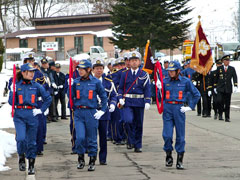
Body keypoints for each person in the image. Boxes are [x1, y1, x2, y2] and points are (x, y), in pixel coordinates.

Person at [8, 63, 51, 175]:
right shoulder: (17, 85)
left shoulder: (36, 85)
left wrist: (41, 110)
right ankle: (21, 156)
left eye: (33, 71)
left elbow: (48, 98)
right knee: (21, 138)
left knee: (32, 142)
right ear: (23, 73)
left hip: (32, 114)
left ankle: (31, 165)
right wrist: (12, 91)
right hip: (19, 115)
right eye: (29, 72)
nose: (32, 74)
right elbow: (10, 102)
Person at [69, 59, 107, 171]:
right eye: (79, 69)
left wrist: (102, 110)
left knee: (92, 138)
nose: (80, 71)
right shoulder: (76, 82)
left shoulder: (96, 82)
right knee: (80, 138)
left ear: (89, 69)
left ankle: (92, 160)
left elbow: (104, 97)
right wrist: (69, 87)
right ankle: (81, 158)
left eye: (82, 69)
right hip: (79, 113)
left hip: (91, 112)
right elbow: (71, 97)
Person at [161, 61, 200, 169]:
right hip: (168, 109)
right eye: (169, 71)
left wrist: (190, 107)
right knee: (167, 135)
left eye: (173, 71)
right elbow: (160, 96)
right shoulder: (165, 81)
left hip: (179, 109)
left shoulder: (186, 81)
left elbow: (196, 94)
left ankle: (179, 160)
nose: (171, 73)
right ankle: (168, 154)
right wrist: (157, 87)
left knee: (180, 136)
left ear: (178, 71)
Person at [118, 51, 151, 153]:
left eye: (136, 60)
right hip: (128, 101)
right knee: (128, 121)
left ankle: (138, 145)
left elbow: (147, 88)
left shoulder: (144, 74)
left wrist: (147, 101)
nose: (133, 63)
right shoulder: (125, 74)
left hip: (139, 101)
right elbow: (121, 88)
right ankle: (130, 139)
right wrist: (120, 98)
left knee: (139, 124)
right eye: (132, 61)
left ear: (140, 62)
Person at [92, 58, 117, 165]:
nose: (99, 70)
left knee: (103, 137)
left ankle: (103, 158)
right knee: (91, 137)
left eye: (101, 68)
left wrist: (113, 104)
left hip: (104, 112)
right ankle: (92, 157)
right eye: (97, 68)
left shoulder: (108, 82)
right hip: (92, 112)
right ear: (92, 70)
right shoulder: (88, 81)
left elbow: (114, 95)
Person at [214, 55, 238, 122]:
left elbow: (234, 77)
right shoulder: (219, 68)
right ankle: (220, 114)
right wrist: (215, 87)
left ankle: (227, 117)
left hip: (228, 88)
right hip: (220, 88)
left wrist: (235, 85)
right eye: (226, 60)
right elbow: (216, 78)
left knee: (227, 103)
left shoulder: (232, 69)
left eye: (228, 61)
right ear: (223, 61)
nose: (227, 62)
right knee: (219, 101)